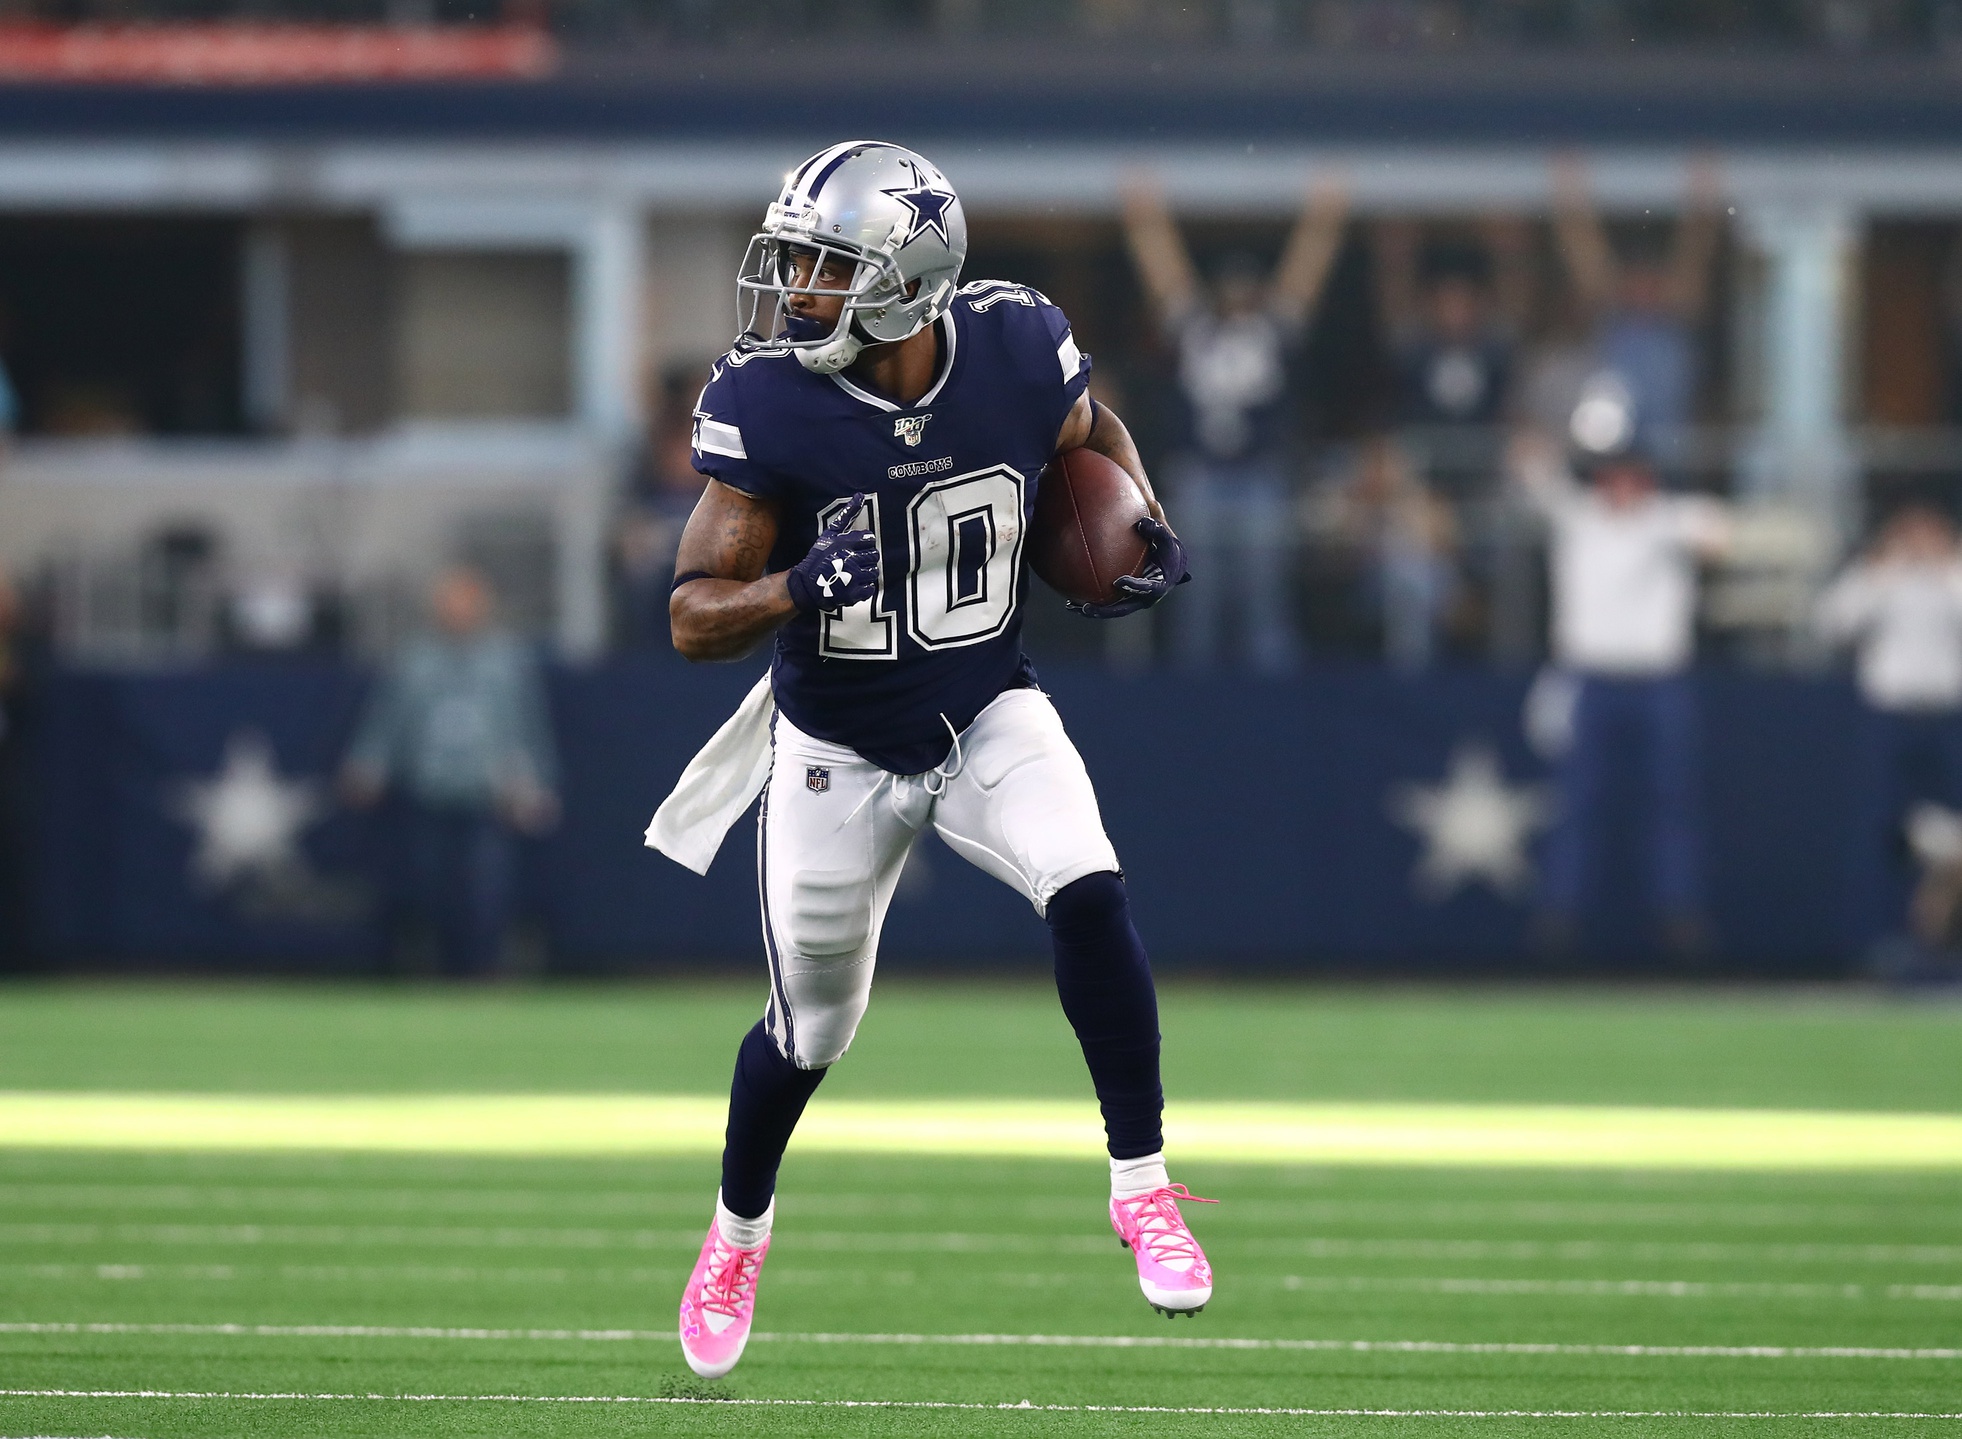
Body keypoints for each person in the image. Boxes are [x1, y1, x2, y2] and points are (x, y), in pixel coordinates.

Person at [647, 141, 1204, 1381]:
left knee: (1088, 880)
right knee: (811, 1032)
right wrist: (792, 585)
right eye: (792, 259)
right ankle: (738, 1231)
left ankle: (1142, 1182)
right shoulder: (773, 401)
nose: (794, 288)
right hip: (836, 745)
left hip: (983, 703)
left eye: (824, 265)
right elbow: (690, 614)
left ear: (908, 280)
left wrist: (1141, 508)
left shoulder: (1013, 346)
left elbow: (1085, 422)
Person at [1510, 434, 1733, 956]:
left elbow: (1720, 536)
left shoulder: (1669, 518)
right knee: (1577, 801)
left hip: (1658, 682)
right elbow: (1529, 468)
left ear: (1649, 479)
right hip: (1591, 681)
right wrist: (1547, 429)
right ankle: (1560, 914)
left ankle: (1677, 914)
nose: (1623, 488)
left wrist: (1679, 533)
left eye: (1633, 476)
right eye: (1613, 476)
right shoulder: (1578, 517)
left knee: (1670, 802)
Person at [1122, 174, 1349, 672]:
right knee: (1195, 596)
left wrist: (1323, 216)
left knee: (1263, 593)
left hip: (1257, 474)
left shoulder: (1271, 328)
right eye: (1230, 290)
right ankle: (1195, 696)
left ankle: (1271, 701)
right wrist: (1145, 214)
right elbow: (1167, 278)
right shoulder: (1197, 326)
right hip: (1200, 472)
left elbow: (1301, 280)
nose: (1238, 298)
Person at [339, 567, 559, 978]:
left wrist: (538, 784)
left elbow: (526, 727)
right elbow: (387, 722)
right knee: (426, 887)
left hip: (487, 797)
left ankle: (484, 971)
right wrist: (368, 765)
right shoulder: (413, 662)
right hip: (429, 793)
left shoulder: (506, 662)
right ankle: (429, 970)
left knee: (486, 890)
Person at [1814, 503, 1962, 966]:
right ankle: (1879, 941)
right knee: (1881, 834)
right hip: (1889, 719)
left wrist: (1945, 569)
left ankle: (1944, 941)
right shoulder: (1878, 577)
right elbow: (1831, 625)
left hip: (1946, 718)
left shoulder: (1953, 576)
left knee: (1953, 835)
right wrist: (1883, 571)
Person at [1550, 156, 1722, 459]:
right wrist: (1569, 187)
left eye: (1649, 281)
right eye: (1633, 281)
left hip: (1668, 458)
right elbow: (1584, 253)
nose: (1641, 289)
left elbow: (1695, 251)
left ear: (1660, 283)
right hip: (1610, 452)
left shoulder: (1677, 319)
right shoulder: (1611, 319)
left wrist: (1703, 191)